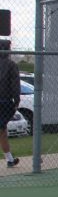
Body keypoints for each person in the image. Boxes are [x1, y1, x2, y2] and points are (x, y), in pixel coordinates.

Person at [0, 39, 21, 168]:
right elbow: (15, 85)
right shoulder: (11, 65)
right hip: (5, 102)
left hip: (4, 102)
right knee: (2, 130)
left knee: (2, 131)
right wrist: (16, 100)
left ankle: (9, 159)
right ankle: (9, 159)